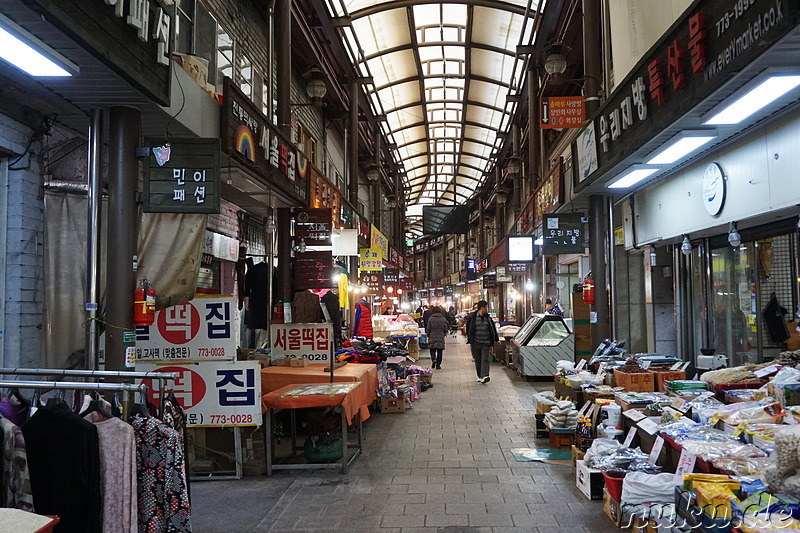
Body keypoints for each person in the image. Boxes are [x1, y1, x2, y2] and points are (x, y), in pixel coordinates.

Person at [466, 300, 499, 383]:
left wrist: (496, 339)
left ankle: (485, 375)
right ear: (482, 308)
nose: (487, 309)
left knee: (485, 359)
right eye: (486, 307)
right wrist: (470, 337)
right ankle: (480, 376)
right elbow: (468, 328)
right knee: (477, 359)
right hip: (475, 342)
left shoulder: (488, 318)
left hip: (486, 342)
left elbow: (492, 329)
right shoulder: (472, 317)